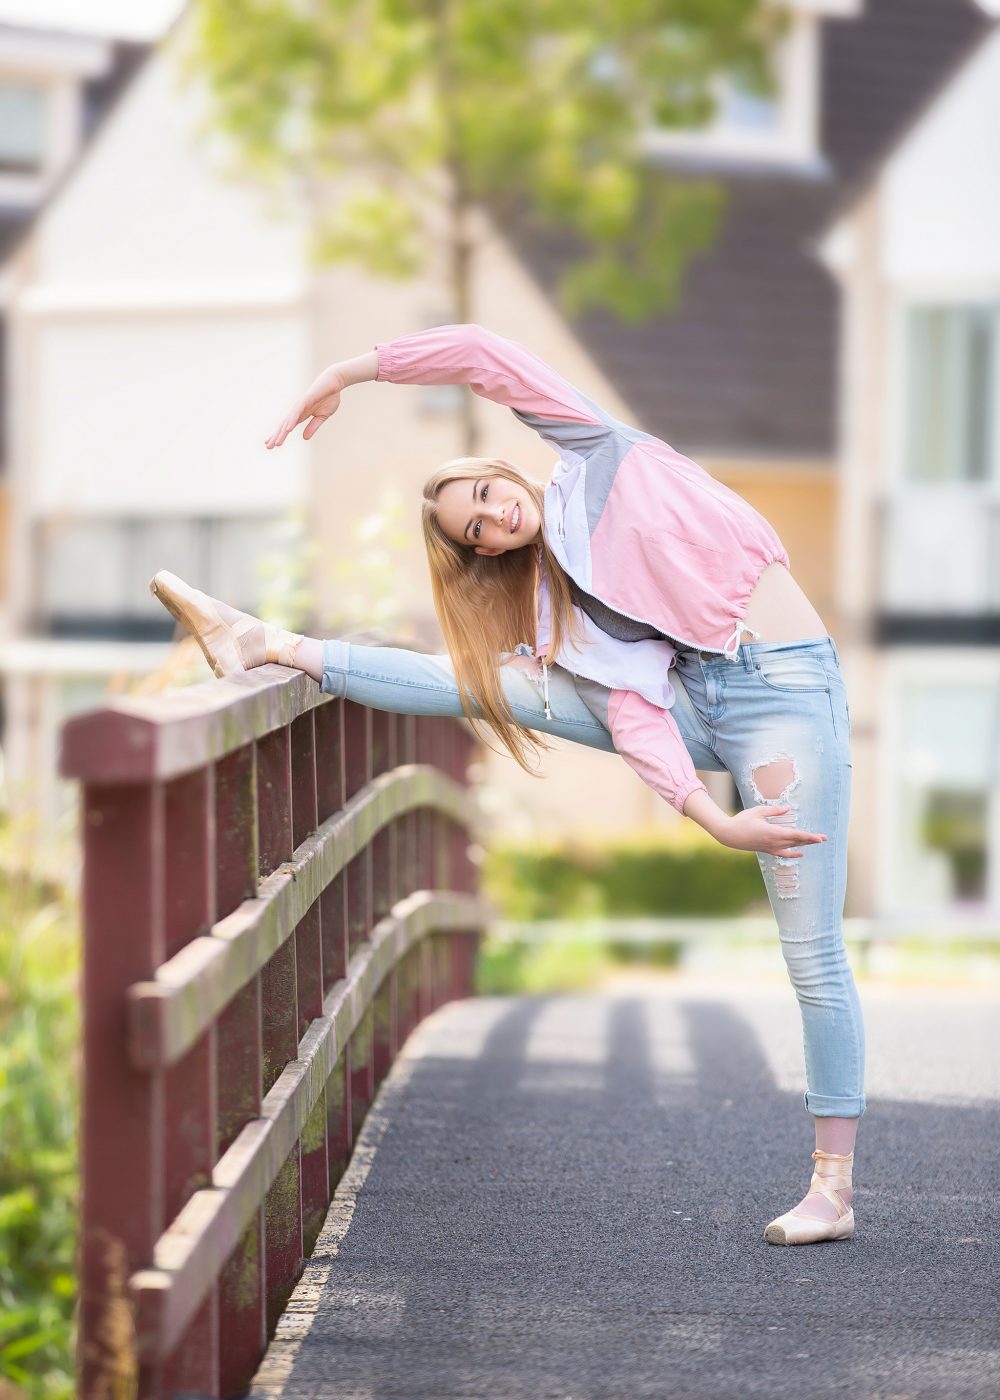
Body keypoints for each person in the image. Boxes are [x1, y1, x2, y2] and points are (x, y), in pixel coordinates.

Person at [150, 322, 864, 1247]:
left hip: (788, 697)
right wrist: (707, 819)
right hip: (697, 704)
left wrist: (348, 372)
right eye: (475, 529)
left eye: (487, 495)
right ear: (480, 552)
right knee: (489, 682)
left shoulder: (596, 452)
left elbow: (485, 353)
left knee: (810, 953)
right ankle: (270, 642)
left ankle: (833, 1191)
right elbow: (634, 714)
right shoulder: (556, 614)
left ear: (510, 473)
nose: (492, 518)